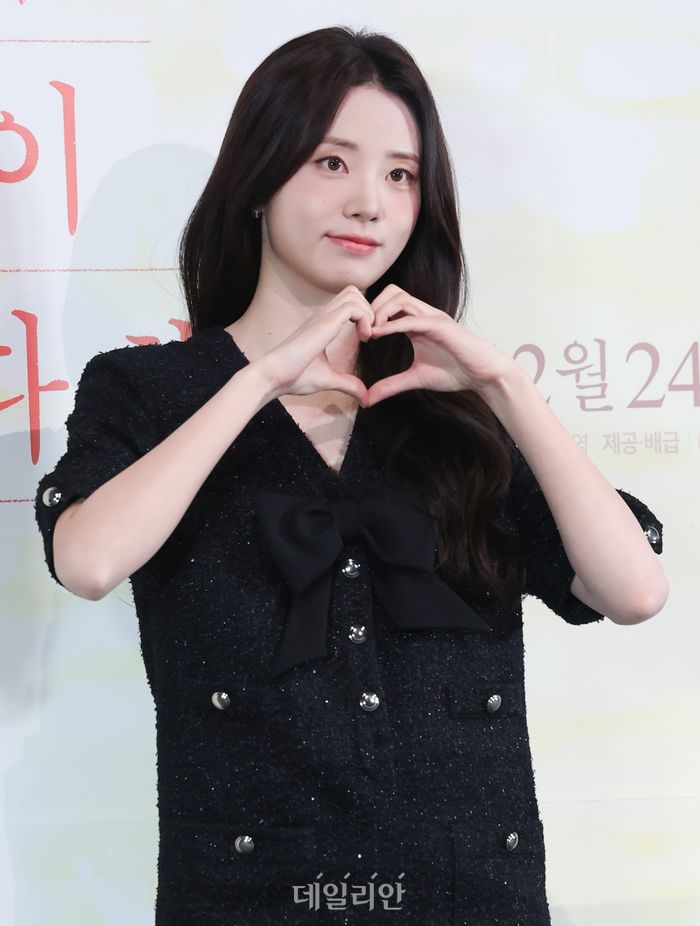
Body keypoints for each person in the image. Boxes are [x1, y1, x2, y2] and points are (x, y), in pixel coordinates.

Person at [34, 25, 667, 925]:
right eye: (332, 163)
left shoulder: (452, 408)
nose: (369, 203)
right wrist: (256, 377)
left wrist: (506, 387)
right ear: (259, 179)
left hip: (474, 898)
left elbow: (634, 591)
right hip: (250, 900)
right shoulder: (146, 389)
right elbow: (89, 559)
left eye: (401, 175)